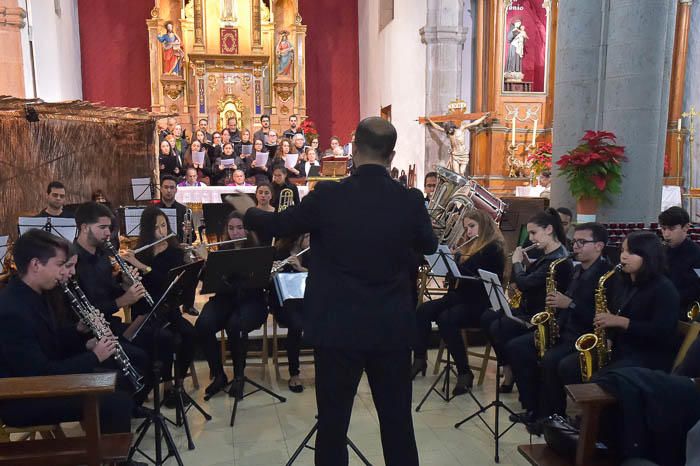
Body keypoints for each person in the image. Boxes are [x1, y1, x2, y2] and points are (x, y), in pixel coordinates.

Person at [230, 116, 437, 466]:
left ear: (353, 150)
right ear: (392, 155)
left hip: (337, 327)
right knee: (397, 423)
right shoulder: (411, 200)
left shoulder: (328, 196)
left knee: (333, 424)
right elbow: (429, 246)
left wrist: (248, 211)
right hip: (390, 328)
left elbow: (280, 225)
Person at [0, 230, 137, 439]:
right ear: (36, 265)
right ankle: (110, 458)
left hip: (43, 382)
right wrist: (94, 357)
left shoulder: (34, 293)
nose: (63, 272)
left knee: (120, 380)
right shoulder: (12, 310)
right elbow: (41, 374)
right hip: (24, 396)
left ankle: (111, 449)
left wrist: (80, 336)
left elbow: (47, 341)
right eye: (59, 264)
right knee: (115, 401)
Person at [505, 223, 611, 432]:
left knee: (551, 360)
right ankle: (533, 407)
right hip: (564, 330)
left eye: (582, 242)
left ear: (599, 246)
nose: (576, 247)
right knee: (516, 347)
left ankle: (552, 417)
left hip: (584, 337)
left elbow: (600, 316)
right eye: (574, 242)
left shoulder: (605, 276)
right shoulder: (578, 270)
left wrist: (569, 304)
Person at [558, 231, 679, 384]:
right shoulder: (624, 283)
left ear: (649, 256)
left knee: (599, 380)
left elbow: (662, 332)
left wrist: (621, 322)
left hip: (648, 355)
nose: (623, 256)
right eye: (623, 250)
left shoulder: (664, 288)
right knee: (567, 366)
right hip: (622, 349)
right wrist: (608, 335)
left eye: (632, 252)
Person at [412, 210, 506, 394]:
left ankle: (464, 372)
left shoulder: (492, 248)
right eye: (466, 228)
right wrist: (452, 261)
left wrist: (455, 261)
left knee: (446, 318)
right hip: (461, 298)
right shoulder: (470, 247)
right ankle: (419, 359)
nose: (468, 232)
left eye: (472, 226)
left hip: (481, 303)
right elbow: (458, 279)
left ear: (484, 225)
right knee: (423, 310)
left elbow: (473, 274)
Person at [481, 207, 573, 392]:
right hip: (530, 306)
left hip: (541, 314)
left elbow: (526, 283)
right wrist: (528, 263)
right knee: (488, 316)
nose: (530, 238)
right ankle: (509, 369)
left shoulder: (558, 258)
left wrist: (516, 262)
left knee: (500, 326)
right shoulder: (548, 254)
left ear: (548, 230)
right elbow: (537, 276)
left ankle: (513, 372)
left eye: (533, 233)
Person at [121, 206, 197, 406]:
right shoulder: (141, 253)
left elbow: (166, 282)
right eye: (156, 228)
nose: (162, 231)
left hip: (167, 309)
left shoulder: (174, 252)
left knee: (189, 334)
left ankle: (177, 385)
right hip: (145, 312)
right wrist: (125, 275)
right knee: (166, 339)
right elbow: (131, 286)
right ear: (147, 230)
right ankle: (164, 384)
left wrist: (139, 265)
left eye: (164, 225)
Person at [194, 212, 267, 399]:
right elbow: (209, 281)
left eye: (240, 228)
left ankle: (239, 376)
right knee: (203, 324)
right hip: (224, 300)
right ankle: (218, 375)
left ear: (247, 230)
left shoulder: (257, 251)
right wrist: (203, 261)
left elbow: (259, 282)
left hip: (252, 301)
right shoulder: (220, 252)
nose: (235, 232)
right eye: (231, 228)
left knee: (236, 325)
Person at [73, 202, 146, 333]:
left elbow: (109, 293)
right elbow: (82, 311)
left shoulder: (102, 254)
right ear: (84, 228)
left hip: (108, 324)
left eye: (109, 227)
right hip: (89, 333)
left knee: (158, 335)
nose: (108, 233)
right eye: (102, 227)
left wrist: (124, 284)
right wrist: (122, 301)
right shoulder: (72, 262)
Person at [270, 233, 309, 393]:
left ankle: (326, 369)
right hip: (284, 304)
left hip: (306, 301)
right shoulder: (280, 252)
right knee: (296, 324)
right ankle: (294, 374)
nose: (310, 240)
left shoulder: (313, 254)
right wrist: (272, 275)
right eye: (306, 236)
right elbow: (267, 285)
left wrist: (301, 269)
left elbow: (323, 277)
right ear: (298, 237)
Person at [659, 206, 700, 320]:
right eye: (663, 229)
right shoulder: (660, 252)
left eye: (671, 229)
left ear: (686, 227)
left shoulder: (696, 254)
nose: (666, 234)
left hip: (683, 312)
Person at [156, 175, 193, 244]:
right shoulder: (154, 210)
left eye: (172, 187)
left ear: (176, 190)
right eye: (166, 187)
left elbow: (192, 238)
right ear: (161, 189)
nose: (169, 190)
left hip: (179, 250)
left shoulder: (184, 210)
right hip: (159, 250)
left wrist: (188, 232)